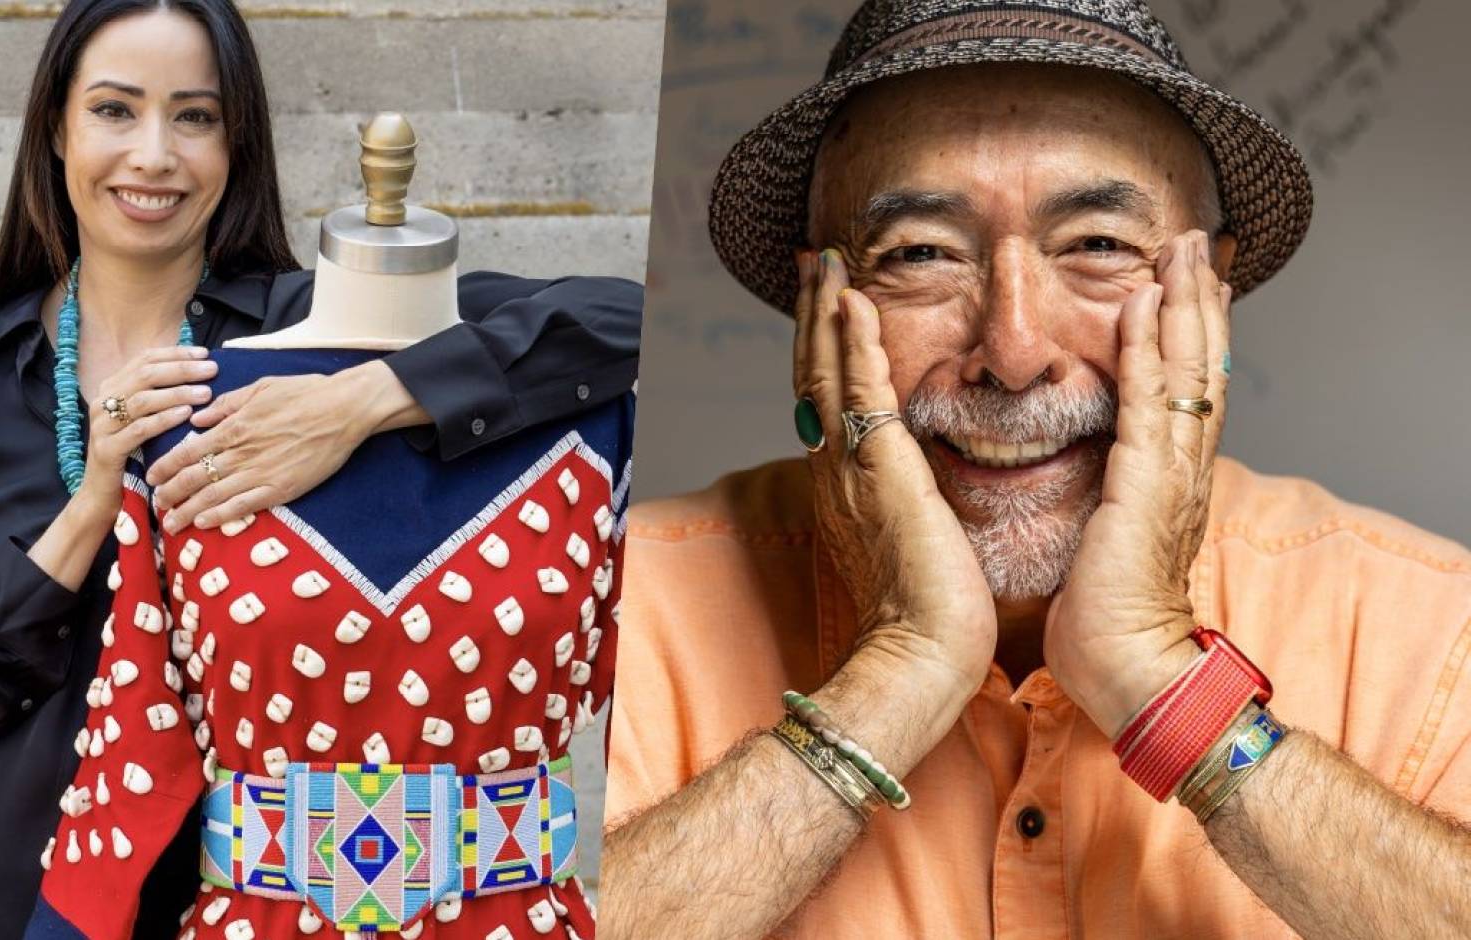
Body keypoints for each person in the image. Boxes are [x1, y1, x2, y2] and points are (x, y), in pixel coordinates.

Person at [599, 1, 1471, 938]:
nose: (1013, 351)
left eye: (1096, 245)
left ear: (1209, 295)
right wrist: (899, 669)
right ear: (824, 308)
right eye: (922, 254)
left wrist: (1164, 681)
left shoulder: (1430, 623)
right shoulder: (600, 607)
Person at [0, 1, 639, 937]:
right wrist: (95, 502)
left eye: (195, 116)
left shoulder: (311, 335)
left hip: (203, 900)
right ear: (55, 128)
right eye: (113, 110)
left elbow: (618, 321)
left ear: (237, 144)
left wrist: (364, 398)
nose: (153, 154)